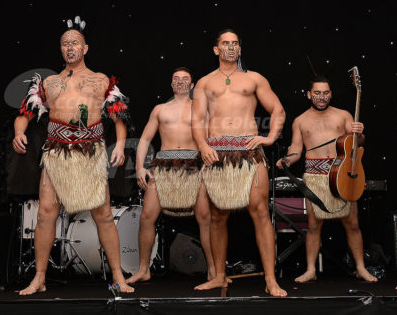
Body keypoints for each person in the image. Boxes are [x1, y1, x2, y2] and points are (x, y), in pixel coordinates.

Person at [13, 16, 134, 295]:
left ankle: (118, 277)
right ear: (61, 49)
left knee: (103, 214)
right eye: (65, 43)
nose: (70, 47)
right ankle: (40, 277)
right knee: (45, 214)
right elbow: (25, 114)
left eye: (75, 43)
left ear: (85, 48)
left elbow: (119, 117)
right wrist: (20, 132)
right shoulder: (48, 82)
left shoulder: (101, 79)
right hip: (56, 152)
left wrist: (120, 144)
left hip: (90, 151)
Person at [192, 29, 287, 297]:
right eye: (225, 43)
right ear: (216, 49)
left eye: (235, 44)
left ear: (240, 49)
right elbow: (197, 119)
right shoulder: (204, 83)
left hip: (248, 151)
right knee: (218, 217)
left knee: (260, 213)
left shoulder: (254, 79)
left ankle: (270, 279)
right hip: (217, 153)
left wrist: (269, 138)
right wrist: (202, 145)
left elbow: (278, 109)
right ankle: (220, 277)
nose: (230, 47)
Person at [276, 75, 378, 283]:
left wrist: (361, 133)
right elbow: (296, 150)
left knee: (352, 223)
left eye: (325, 93)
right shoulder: (300, 120)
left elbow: (357, 143)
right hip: (314, 177)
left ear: (331, 94)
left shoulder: (343, 115)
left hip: (342, 174)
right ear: (309, 95)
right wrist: (287, 160)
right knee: (313, 225)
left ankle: (360, 268)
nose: (321, 97)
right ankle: (311, 269)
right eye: (317, 93)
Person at [126, 67, 217, 284]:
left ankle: (214, 271)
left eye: (185, 79)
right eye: (176, 78)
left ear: (192, 85)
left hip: (194, 165)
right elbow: (145, 139)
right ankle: (143, 269)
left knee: (205, 219)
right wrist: (140, 166)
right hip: (163, 166)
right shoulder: (160, 109)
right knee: (147, 216)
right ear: (171, 83)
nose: (180, 82)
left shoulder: (200, 108)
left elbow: (213, 137)